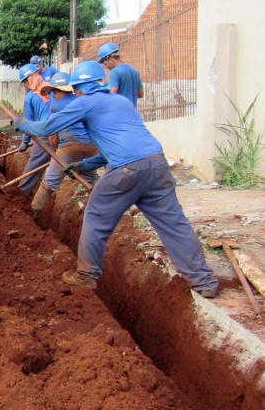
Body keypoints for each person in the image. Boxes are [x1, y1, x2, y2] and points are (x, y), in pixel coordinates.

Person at [13, 60, 218, 297]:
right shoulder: (121, 101)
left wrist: (22, 124)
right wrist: (85, 165)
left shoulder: (86, 102)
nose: (76, 93)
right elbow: (121, 144)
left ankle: (86, 275)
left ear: (79, 88)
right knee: (175, 224)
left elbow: (46, 128)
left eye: (76, 89)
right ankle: (204, 283)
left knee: (95, 216)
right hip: (158, 165)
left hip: (126, 171)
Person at [29, 72, 100, 216]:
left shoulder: (56, 106)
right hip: (92, 148)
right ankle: (107, 202)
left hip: (69, 147)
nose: (53, 96)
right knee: (91, 178)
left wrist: (56, 154)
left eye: (54, 92)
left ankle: (32, 214)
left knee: (49, 183)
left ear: (61, 91)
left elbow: (52, 135)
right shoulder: (83, 101)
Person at [17, 63, 54, 197]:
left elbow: (27, 122)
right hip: (64, 129)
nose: (25, 86)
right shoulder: (52, 88)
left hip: (46, 132)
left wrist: (25, 142)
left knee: (35, 164)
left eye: (25, 83)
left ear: (28, 80)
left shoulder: (30, 97)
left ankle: (20, 194)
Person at [98, 42, 144, 107]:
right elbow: (141, 94)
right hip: (133, 113)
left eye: (106, 64)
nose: (106, 67)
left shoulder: (115, 72)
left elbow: (112, 94)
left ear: (111, 60)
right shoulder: (135, 71)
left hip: (121, 113)